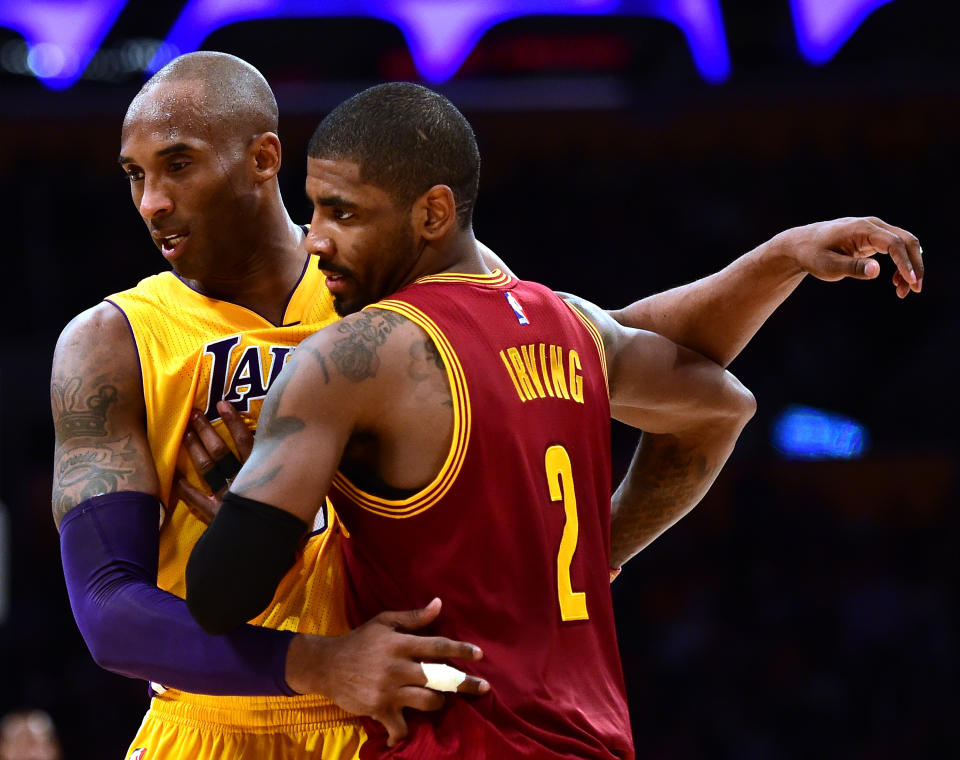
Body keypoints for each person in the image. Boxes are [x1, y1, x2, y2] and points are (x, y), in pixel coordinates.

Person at [52, 51, 923, 758]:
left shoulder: (382, 288)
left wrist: (590, 556)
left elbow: (599, 353)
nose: (152, 203)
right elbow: (106, 608)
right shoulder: (111, 343)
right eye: (132, 176)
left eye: (176, 166)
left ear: (265, 159)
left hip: (396, 720)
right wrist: (317, 664)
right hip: (225, 717)